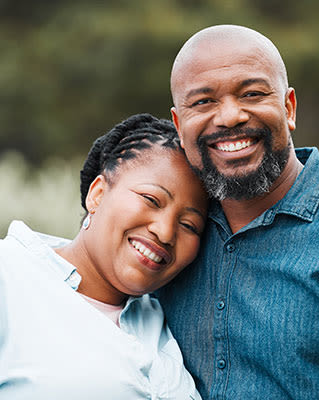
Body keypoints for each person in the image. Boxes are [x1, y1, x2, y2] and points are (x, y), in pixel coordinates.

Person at [157, 25, 319, 399]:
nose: (230, 116)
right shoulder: (176, 232)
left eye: (252, 94)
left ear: (288, 108)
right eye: (203, 102)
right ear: (179, 125)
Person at [0, 113, 207, 399]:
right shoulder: (10, 275)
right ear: (97, 194)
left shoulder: (164, 320)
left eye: (189, 225)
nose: (165, 232)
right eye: (151, 200)